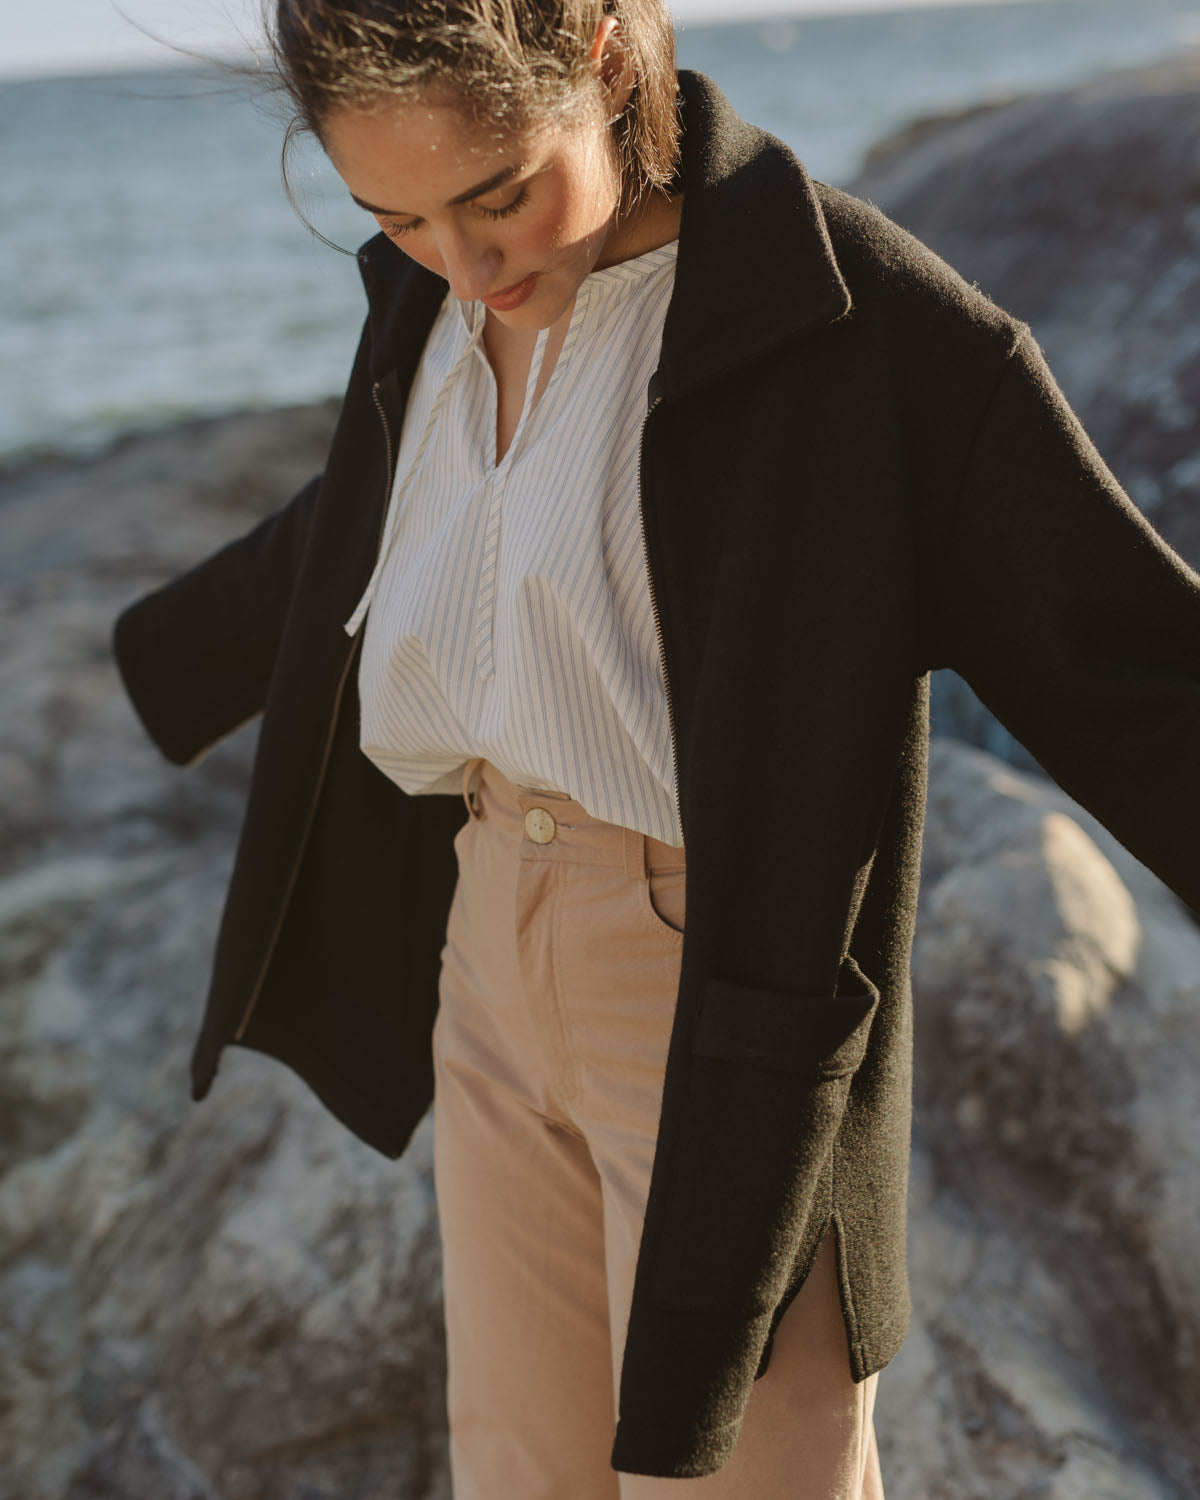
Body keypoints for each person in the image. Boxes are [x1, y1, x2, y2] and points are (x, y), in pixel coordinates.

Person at [111, 1, 1200, 1496]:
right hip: (485, 951)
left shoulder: (865, 332)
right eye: (396, 216)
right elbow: (373, 519)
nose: (467, 267)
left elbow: (1139, 671)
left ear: (607, 61)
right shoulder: (429, 295)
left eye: (497, 194)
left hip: (714, 985)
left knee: (741, 1477)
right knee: (520, 1473)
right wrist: (164, 660)